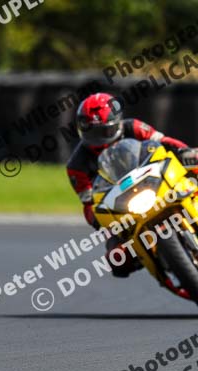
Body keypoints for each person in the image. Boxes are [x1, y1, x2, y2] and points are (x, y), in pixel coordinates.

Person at [67, 92, 198, 277]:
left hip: (154, 181)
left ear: (117, 123)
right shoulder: (76, 166)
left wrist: (185, 151)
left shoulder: (134, 127)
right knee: (116, 260)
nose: (100, 140)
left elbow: (163, 141)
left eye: (105, 132)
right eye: (92, 133)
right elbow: (88, 204)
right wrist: (100, 221)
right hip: (121, 208)